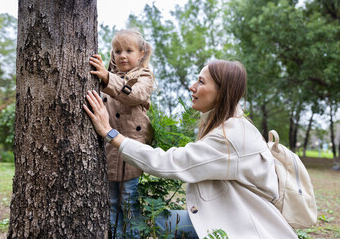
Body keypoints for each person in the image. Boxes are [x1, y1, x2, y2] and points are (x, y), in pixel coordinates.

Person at [83, 60, 298, 238]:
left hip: (244, 230)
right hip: (234, 220)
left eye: (201, 82)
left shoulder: (230, 136)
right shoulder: (232, 125)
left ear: (222, 92)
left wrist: (110, 133)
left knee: (138, 222)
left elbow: (171, 162)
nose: (192, 87)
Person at [88, 28, 155, 238]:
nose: (122, 55)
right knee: (112, 203)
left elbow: (135, 95)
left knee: (129, 202)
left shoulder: (144, 75)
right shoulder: (107, 77)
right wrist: (106, 75)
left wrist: (108, 78)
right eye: (117, 51)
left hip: (132, 149)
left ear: (141, 53)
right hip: (109, 151)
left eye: (128, 50)